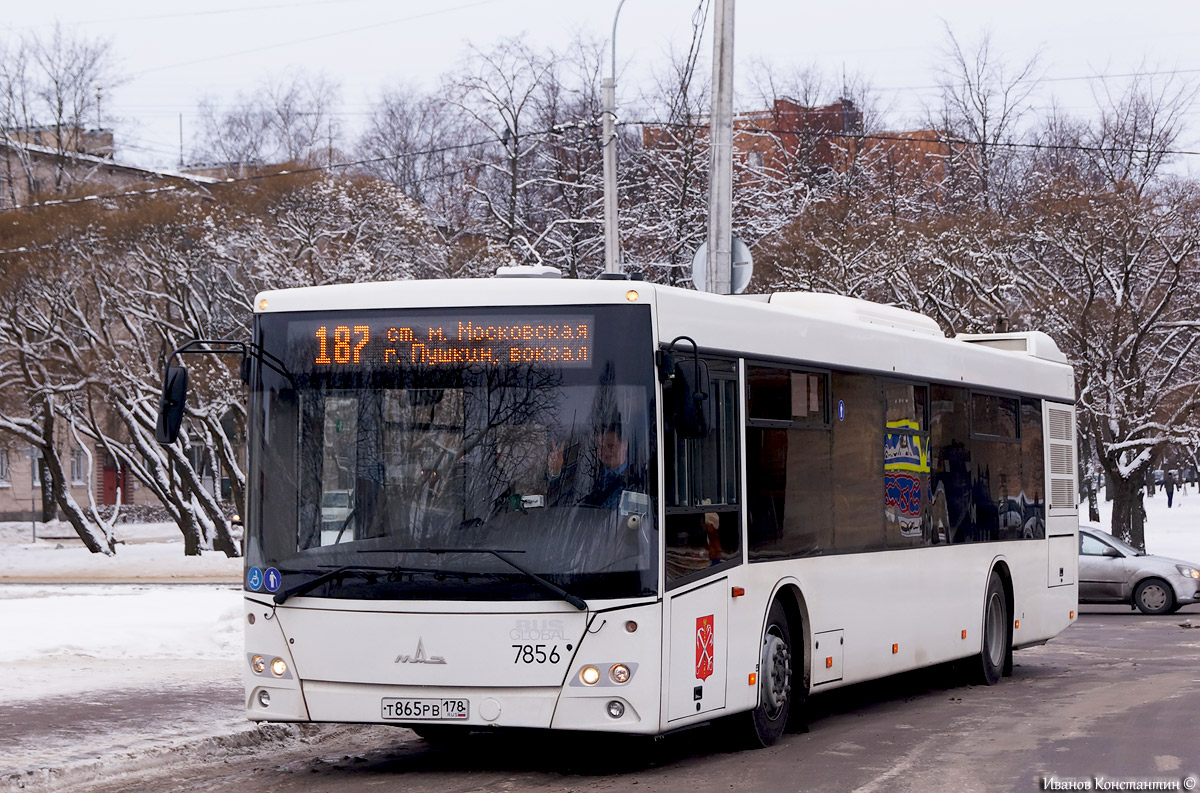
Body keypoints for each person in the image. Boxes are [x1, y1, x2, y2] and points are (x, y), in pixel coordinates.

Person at [547, 423, 640, 509]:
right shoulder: (586, 472)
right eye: (601, 447)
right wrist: (556, 470)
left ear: (625, 445)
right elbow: (560, 495)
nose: (605, 452)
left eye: (611, 446)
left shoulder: (638, 477)